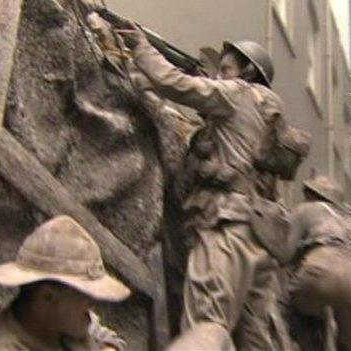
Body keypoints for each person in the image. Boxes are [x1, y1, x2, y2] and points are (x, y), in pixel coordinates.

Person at [106, 17, 294, 350]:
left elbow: (173, 82)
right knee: (256, 338)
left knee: (204, 327)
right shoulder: (268, 112)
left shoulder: (237, 94)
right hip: (258, 236)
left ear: (247, 72)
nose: (218, 76)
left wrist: (140, 46)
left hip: (226, 229)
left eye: (225, 69)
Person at [0, 215, 130, 351]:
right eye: (86, 294)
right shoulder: (5, 347)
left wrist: (110, 347)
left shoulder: (68, 321)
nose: (93, 303)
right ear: (48, 297)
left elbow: (105, 336)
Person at [287, 176, 351, 351]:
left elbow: (284, 254)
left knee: (298, 312)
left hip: (319, 273)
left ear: (314, 195)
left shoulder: (307, 209)